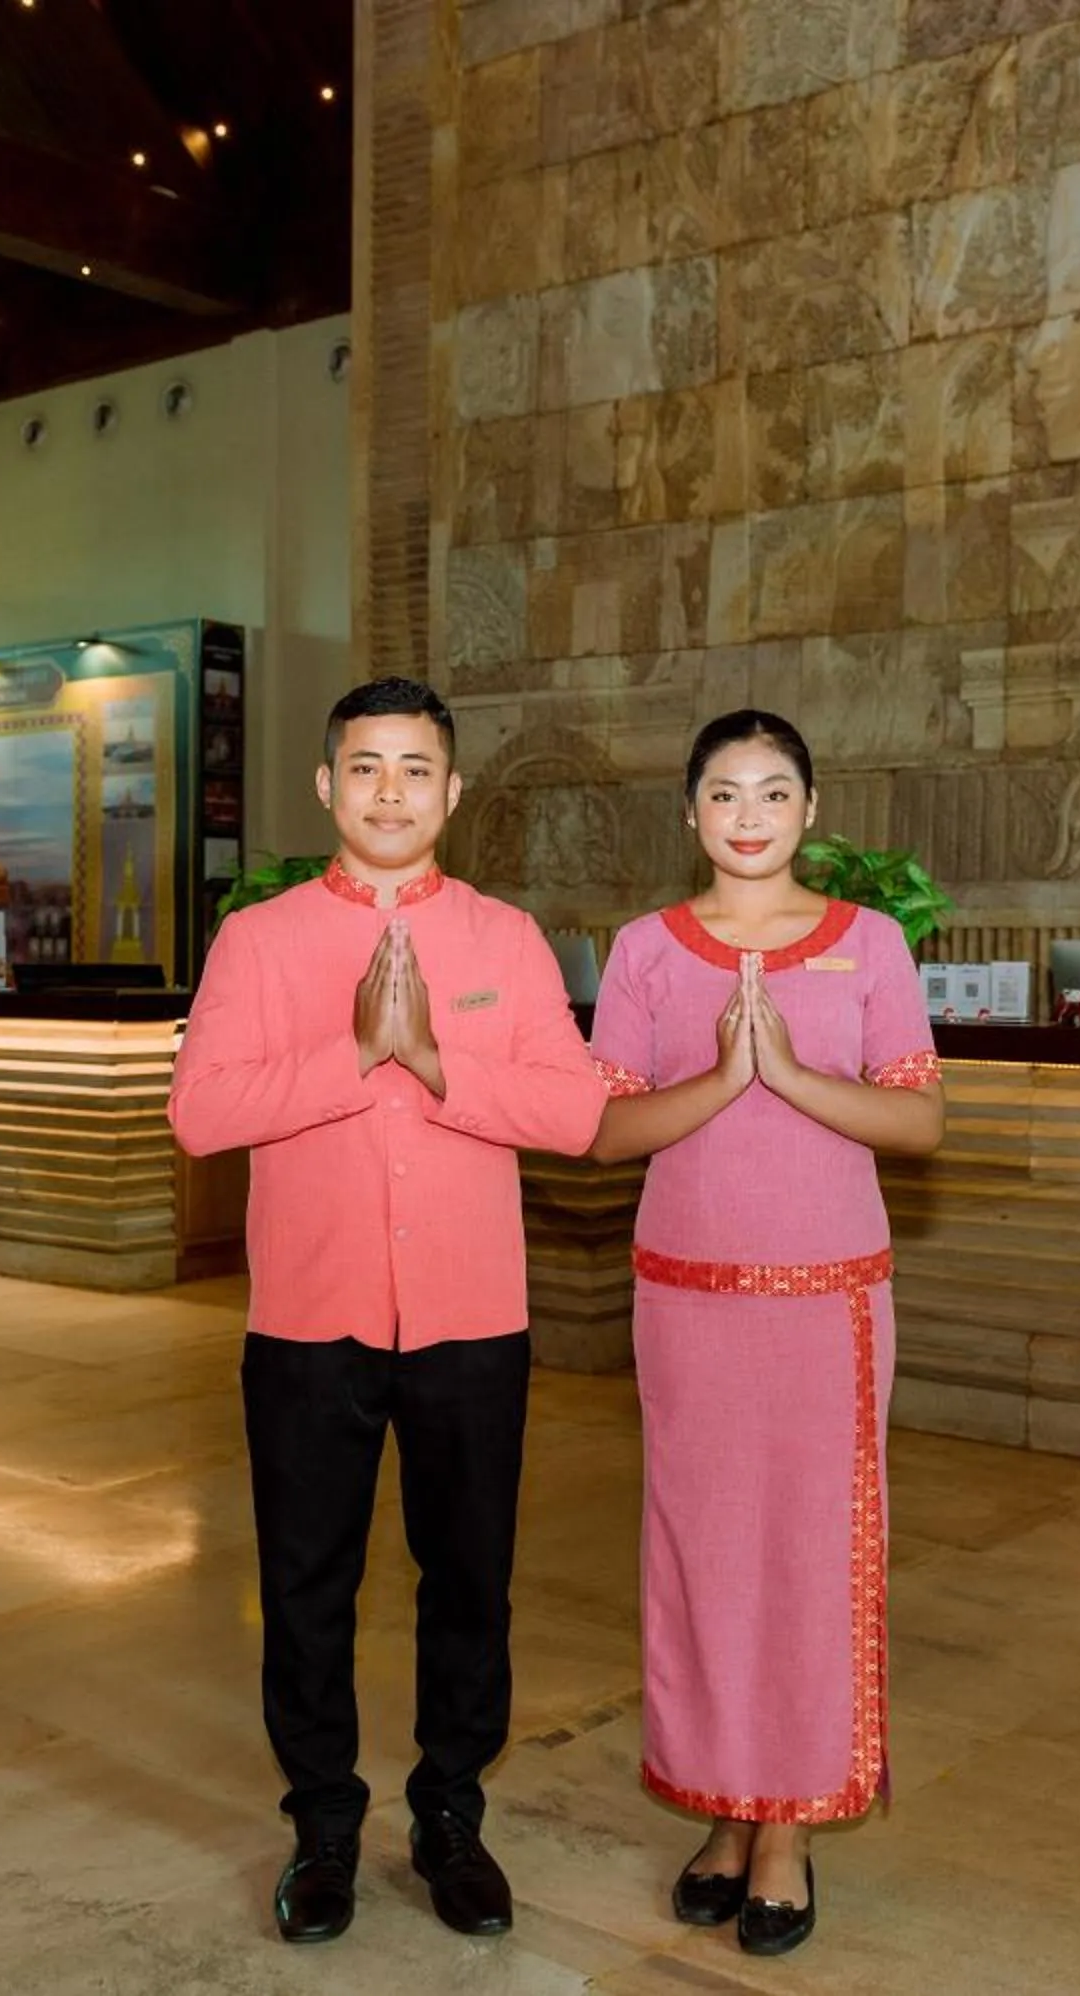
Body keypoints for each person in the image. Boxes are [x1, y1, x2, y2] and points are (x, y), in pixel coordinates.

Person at [168, 675, 606, 1946]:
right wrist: (355, 1050)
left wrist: (430, 1057)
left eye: (417, 769)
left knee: (469, 1581)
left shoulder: (505, 939)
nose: (391, 792)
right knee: (306, 1585)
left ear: (452, 792)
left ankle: (452, 1816)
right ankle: (322, 1828)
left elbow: (574, 1111)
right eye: (366, 767)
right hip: (310, 1319)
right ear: (326, 785)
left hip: (473, 1317)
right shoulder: (260, 940)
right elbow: (202, 1111)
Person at [585, 710, 945, 1958]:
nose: (750, 815)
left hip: (827, 1302)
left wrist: (788, 1076)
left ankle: (785, 1824)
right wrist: (722, 1081)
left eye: (775, 790)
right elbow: (604, 1131)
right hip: (688, 1299)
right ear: (690, 812)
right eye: (726, 792)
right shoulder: (645, 948)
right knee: (702, 1557)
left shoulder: (870, 943)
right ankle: (723, 1804)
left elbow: (921, 1123)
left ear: (811, 809)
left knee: (808, 1558)